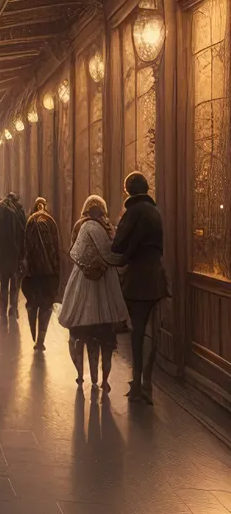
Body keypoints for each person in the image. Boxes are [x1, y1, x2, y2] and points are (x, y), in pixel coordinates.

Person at [58, 195, 129, 392]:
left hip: (82, 279)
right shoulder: (107, 227)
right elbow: (112, 253)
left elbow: (73, 250)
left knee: (80, 331)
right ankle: (104, 379)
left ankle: (81, 376)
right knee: (105, 335)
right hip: (105, 281)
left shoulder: (80, 225)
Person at [112, 171, 169, 404]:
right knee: (151, 332)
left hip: (137, 281)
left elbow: (118, 245)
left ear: (130, 190)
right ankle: (147, 382)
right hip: (156, 279)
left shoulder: (133, 212)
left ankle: (137, 383)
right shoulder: (155, 212)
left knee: (137, 333)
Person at [22, 197, 62, 350]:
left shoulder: (30, 222)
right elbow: (56, 249)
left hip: (33, 274)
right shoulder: (51, 222)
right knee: (46, 306)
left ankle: (35, 333)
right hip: (49, 274)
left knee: (33, 304)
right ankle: (40, 341)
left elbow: (26, 247)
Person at [0, 193, 26, 316]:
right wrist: (22, 254)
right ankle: (13, 308)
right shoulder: (19, 211)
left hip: (2, 254)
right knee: (14, 281)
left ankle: (2, 309)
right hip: (14, 254)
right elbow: (23, 233)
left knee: (3, 281)